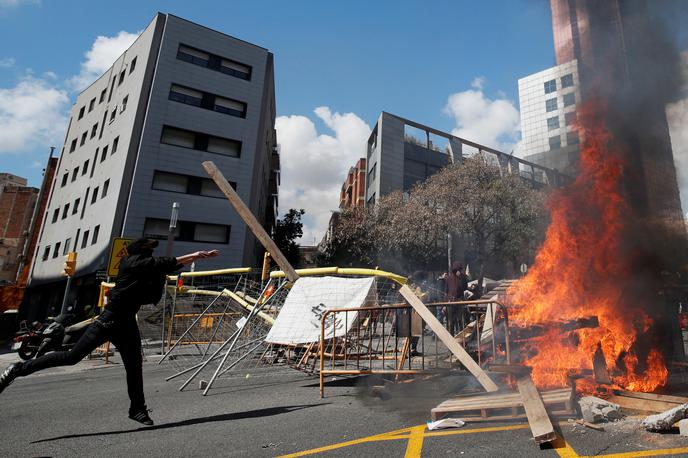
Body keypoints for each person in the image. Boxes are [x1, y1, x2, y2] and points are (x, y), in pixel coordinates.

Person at [0, 238, 219, 426]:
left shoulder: (146, 267)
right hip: (109, 320)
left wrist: (198, 257)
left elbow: (168, 266)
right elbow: (165, 262)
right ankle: (18, 369)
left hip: (126, 323)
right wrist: (194, 254)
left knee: (134, 366)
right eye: (149, 252)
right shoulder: (132, 263)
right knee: (71, 357)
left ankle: (137, 409)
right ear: (140, 253)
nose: (152, 255)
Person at [445, 262, 467, 336]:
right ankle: (450, 339)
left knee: (461, 321)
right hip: (450, 303)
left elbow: (464, 288)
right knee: (451, 322)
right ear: (455, 270)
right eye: (458, 270)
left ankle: (462, 339)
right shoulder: (448, 279)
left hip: (459, 302)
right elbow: (446, 291)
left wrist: (461, 279)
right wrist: (445, 304)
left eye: (460, 270)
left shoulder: (463, 278)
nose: (460, 272)